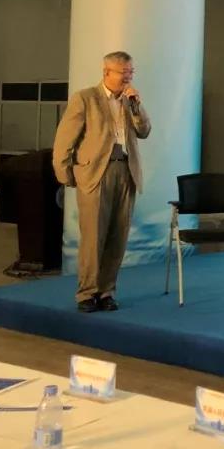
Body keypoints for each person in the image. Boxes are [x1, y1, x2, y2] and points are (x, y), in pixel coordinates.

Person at [52, 51, 151, 313]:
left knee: (118, 237)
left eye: (131, 72)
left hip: (126, 172)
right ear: (106, 72)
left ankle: (107, 291)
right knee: (93, 239)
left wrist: (136, 107)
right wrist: (66, 175)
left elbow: (144, 131)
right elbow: (64, 140)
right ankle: (87, 293)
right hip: (96, 173)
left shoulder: (130, 100)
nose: (128, 77)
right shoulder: (86, 98)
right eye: (123, 73)